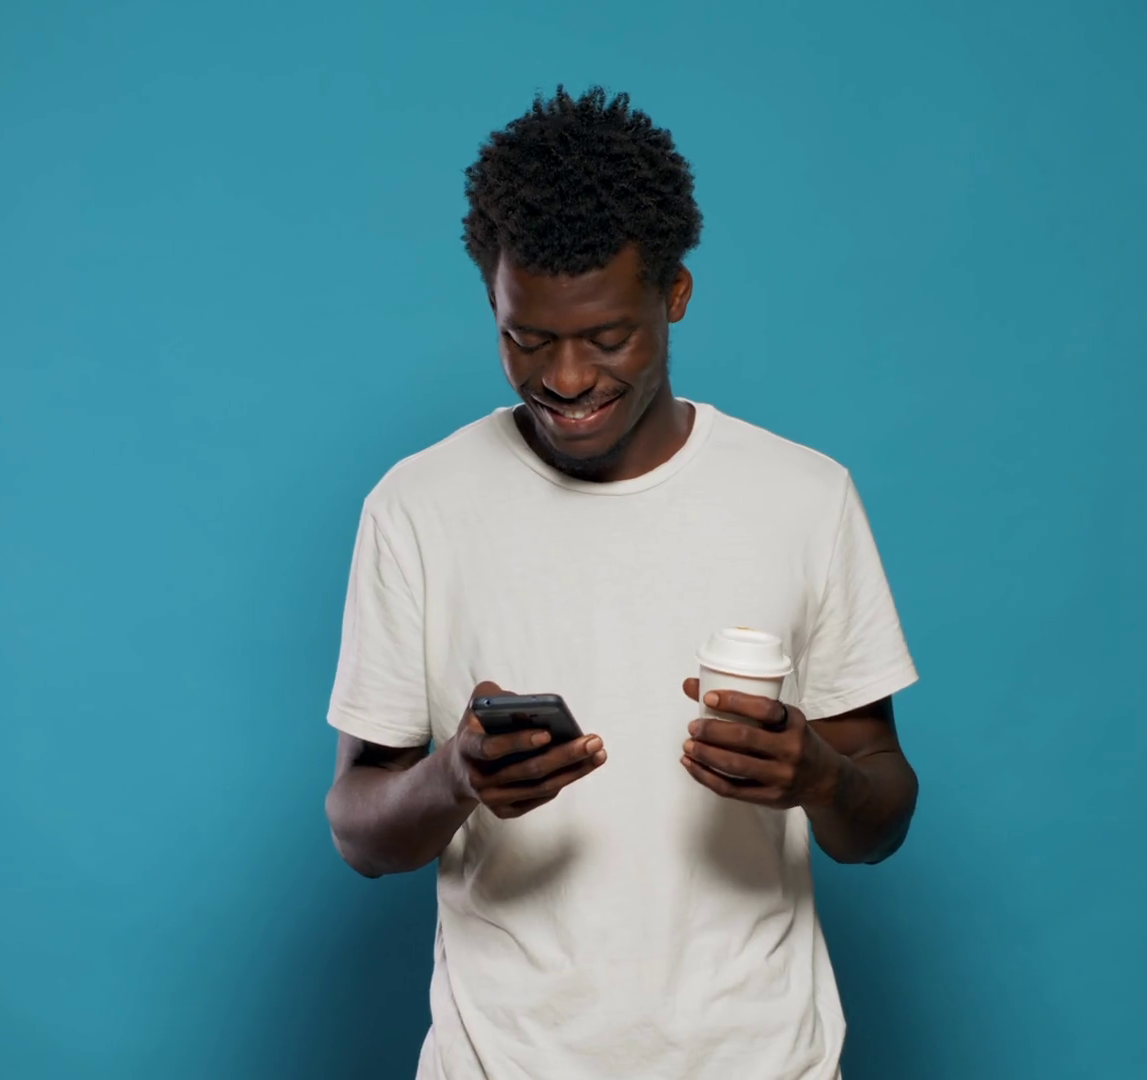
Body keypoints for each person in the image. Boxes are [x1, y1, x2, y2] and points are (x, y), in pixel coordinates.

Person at [323, 85, 920, 1080]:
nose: (564, 379)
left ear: (673, 295)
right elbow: (359, 830)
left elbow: (881, 815)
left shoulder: (805, 498)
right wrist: (455, 778)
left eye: (606, 338)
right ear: (492, 303)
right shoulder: (416, 507)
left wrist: (818, 776)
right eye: (526, 337)